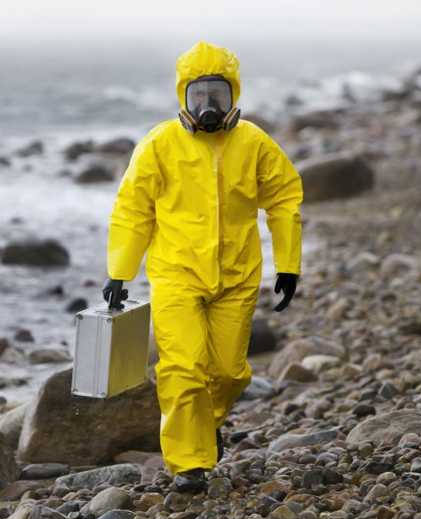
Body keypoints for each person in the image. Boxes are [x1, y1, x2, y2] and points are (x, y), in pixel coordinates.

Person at [103, 41, 303, 493]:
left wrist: (287, 265)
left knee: (230, 373)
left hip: (237, 274)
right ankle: (188, 463)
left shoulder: (253, 143)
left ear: (234, 94)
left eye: (218, 95)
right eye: (199, 96)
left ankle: (205, 424)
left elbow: (284, 199)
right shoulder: (159, 145)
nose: (209, 106)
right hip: (176, 273)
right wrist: (120, 270)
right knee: (183, 367)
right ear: (183, 96)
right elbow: (133, 209)